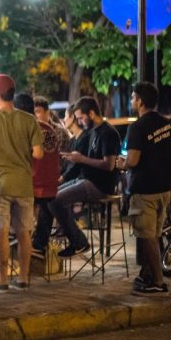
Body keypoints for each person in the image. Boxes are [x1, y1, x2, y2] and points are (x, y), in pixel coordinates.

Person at [0, 74, 43, 292]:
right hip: (24, 184)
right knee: (24, 233)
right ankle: (23, 278)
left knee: (1, 232)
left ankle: (1, 280)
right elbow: (39, 154)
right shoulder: (29, 120)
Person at [120, 82, 171, 297]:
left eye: (133, 97)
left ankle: (158, 282)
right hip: (164, 189)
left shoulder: (137, 127)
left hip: (145, 190)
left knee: (147, 237)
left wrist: (122, 164)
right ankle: (147, 275)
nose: (131, 101)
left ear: (141, 101)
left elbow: (133, 160)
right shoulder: (169, 125)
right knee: (153, 235)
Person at [50, 97, 120, 259]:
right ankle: (52, 237)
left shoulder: (108, 132)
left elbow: (108, 165)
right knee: (49, 195)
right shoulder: (92, 131)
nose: (80, 122)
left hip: (99, 186)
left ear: (92, 113)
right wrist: (75, 159)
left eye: (81, 117)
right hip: (86, 179)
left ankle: (78, 241)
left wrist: (81, 159)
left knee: (54, 200)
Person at [15, 95, 61, 260]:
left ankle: (23, 248)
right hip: (50, 185)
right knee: (45, 211)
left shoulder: (25, 129)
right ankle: (39, 246)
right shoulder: (48, 128)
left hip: (31, 185)